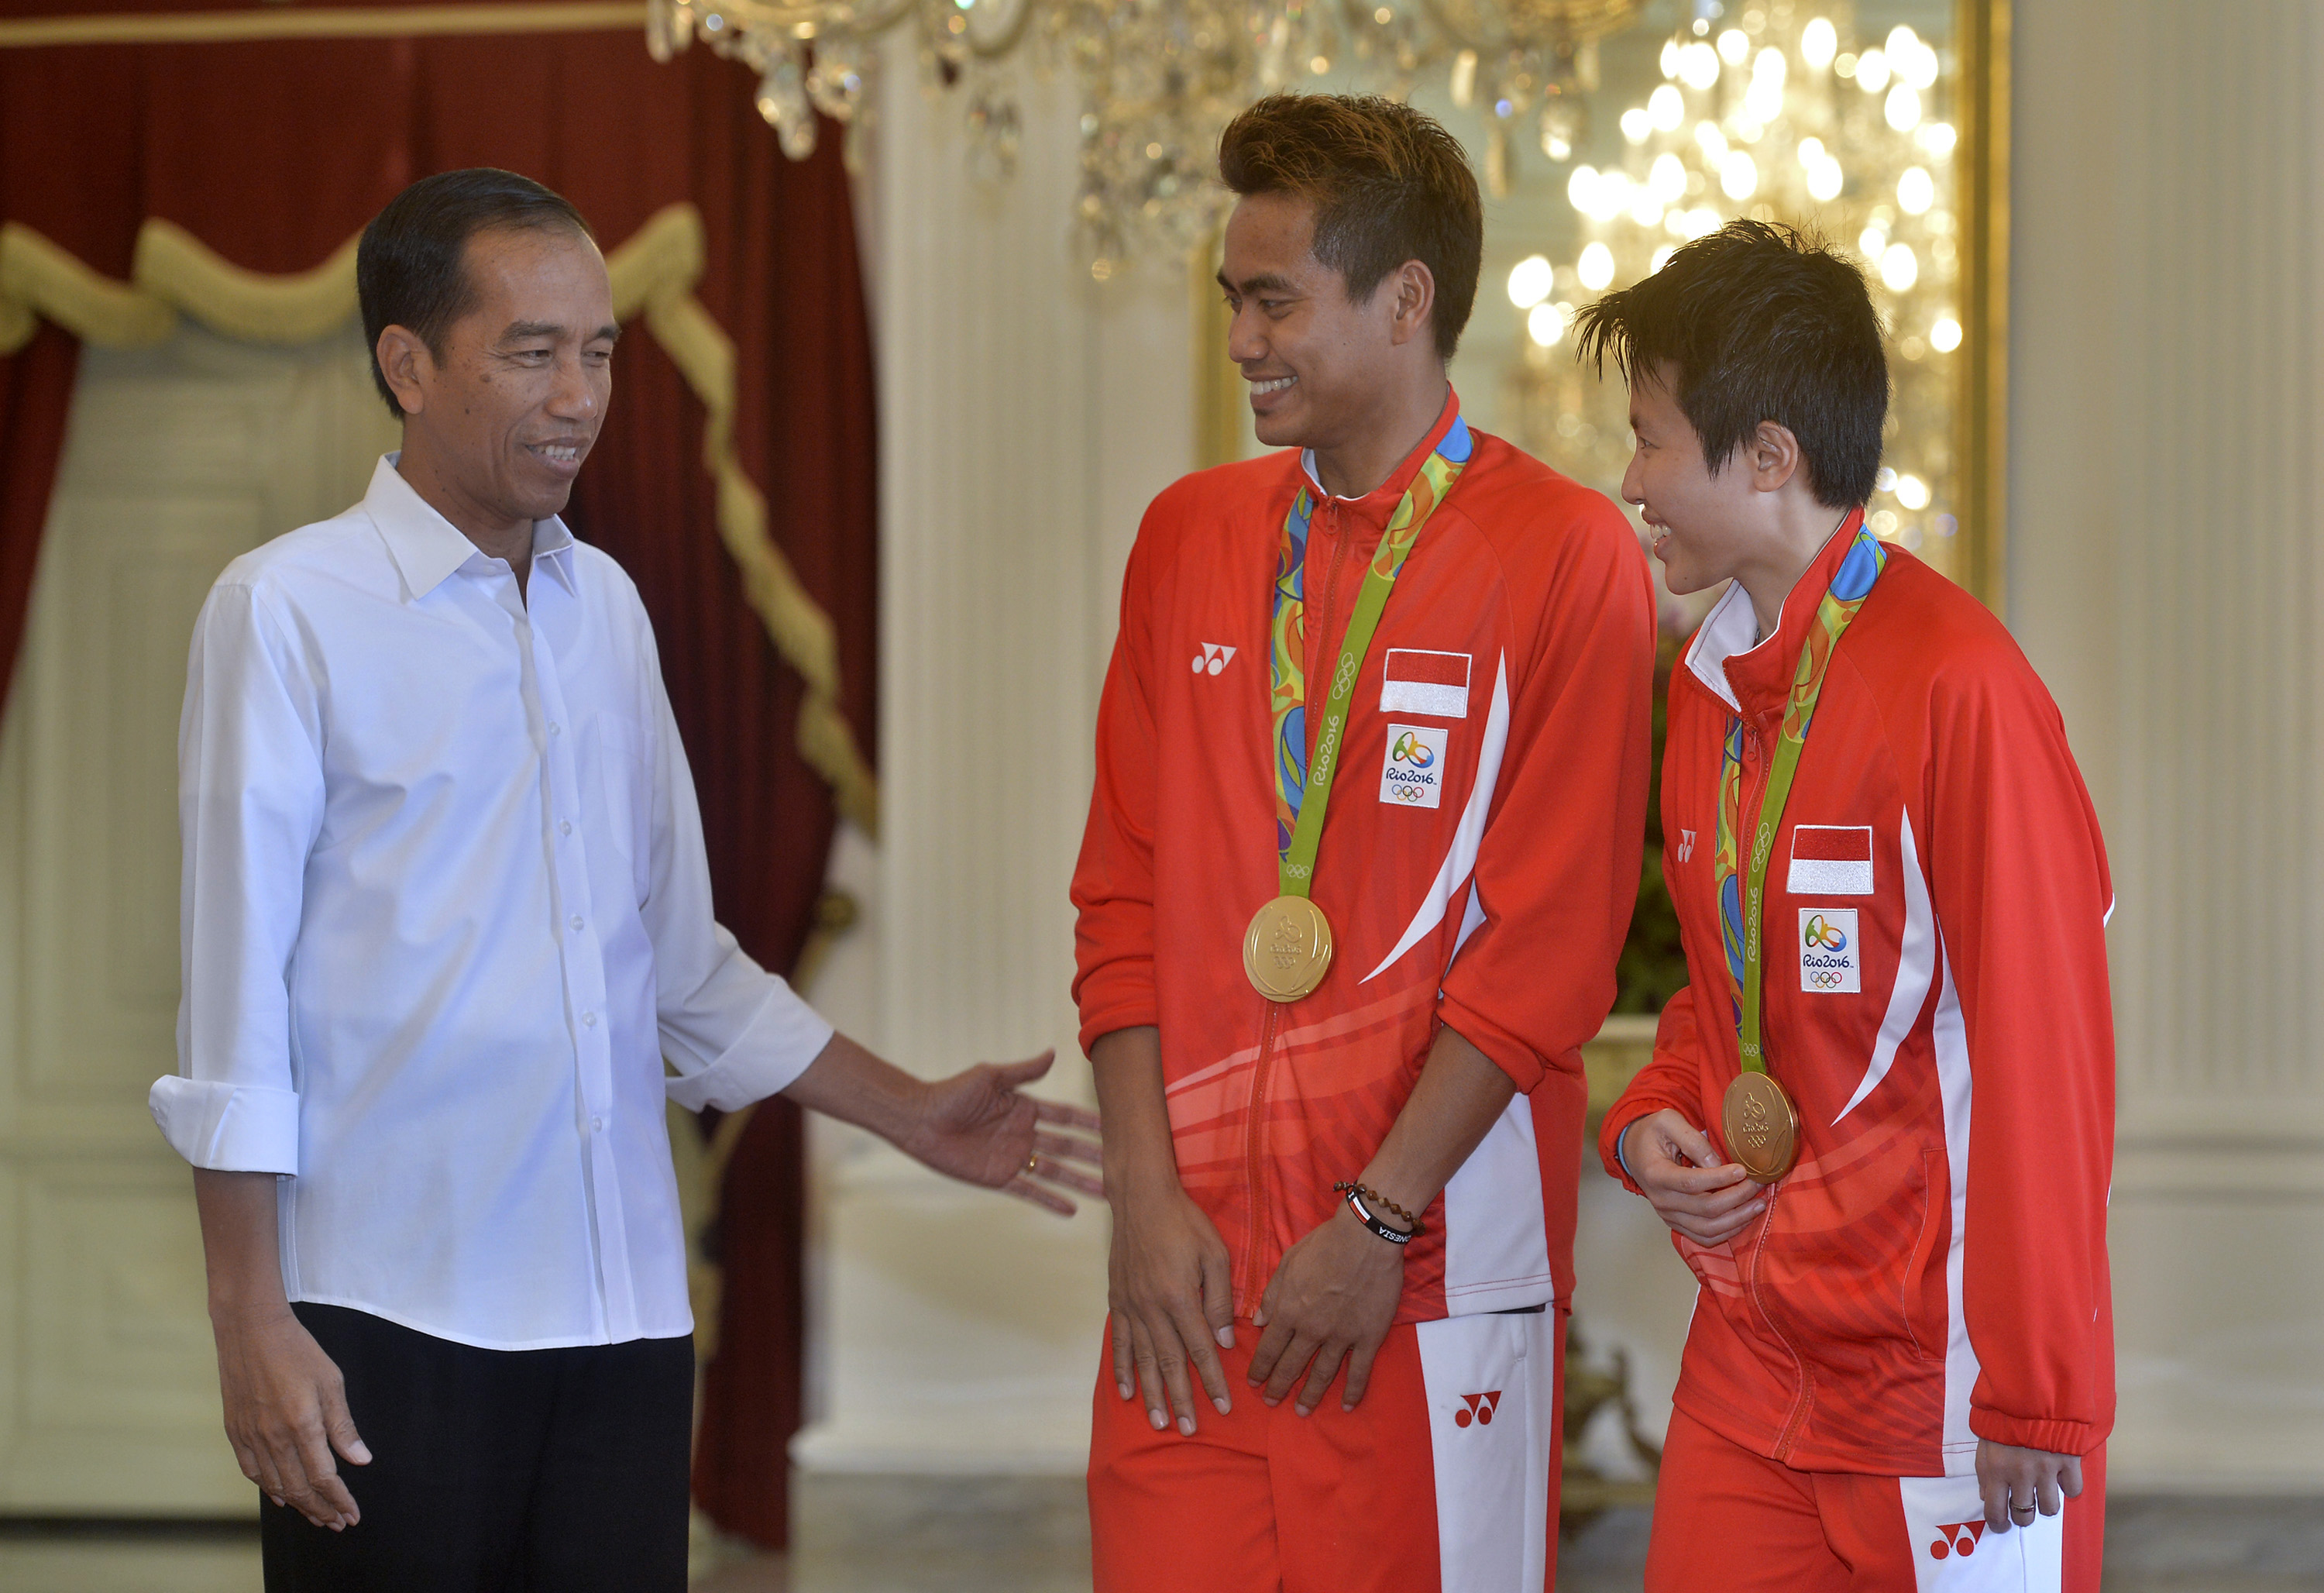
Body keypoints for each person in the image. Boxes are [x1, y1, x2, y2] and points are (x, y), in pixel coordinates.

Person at [150, 167, 1103, 1592]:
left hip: (622, 1323)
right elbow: (230, 1017)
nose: (581, 396)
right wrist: (249, 1319)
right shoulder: (284, 612)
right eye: (532, 353)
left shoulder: (610, 607)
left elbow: (677, 964)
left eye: (599, 351)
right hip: (384, 1321)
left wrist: (908, 1111)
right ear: (407, 367)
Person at [1073, 94, 1655, 1591]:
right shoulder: (1189, 538)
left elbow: (1553, 948)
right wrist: (1143, 1201)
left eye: (1276, 302)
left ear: (1406, 301)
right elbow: (1119, 896)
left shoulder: (1560, 551)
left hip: (1428, 1277)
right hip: (1188, 1284)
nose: (1241, 341)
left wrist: (1378, 1219)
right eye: (1232, 301)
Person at [1576, 221, 2114, 1593]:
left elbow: (2044, 1056)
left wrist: (2037, 1390)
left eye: (1650, 440)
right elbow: (1720, 986)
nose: (1628, 481)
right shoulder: (1705, 688)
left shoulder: (1963, 691)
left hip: (1940, 1389)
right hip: (1750, 1365)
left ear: (1767, 457)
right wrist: (1649, 1123)